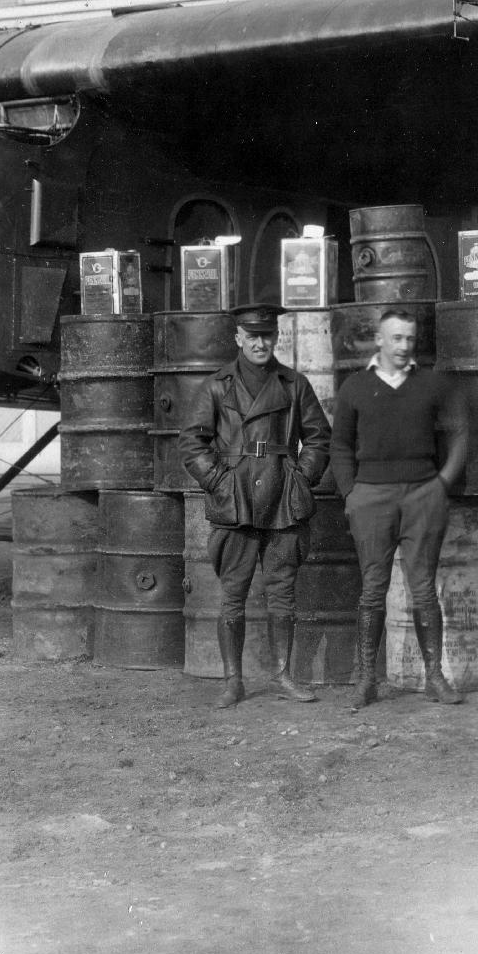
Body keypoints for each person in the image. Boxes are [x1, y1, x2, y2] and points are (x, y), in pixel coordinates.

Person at [180, 302, 332, 708]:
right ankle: (233, 681)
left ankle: (283, 675)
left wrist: (301, 478)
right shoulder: (217, 386)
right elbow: (192, 444)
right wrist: (219, 482)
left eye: (267, 335)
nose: (260, 343)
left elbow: (318, 438)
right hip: (237, 501)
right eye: (252, 336)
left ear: (276, 337)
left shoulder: (294, 384)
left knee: (283, 594)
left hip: (283, 500)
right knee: (233, 594)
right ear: (238, 339)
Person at [330, 305, 469, 709]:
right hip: (370, 496)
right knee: (373, 590)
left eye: (410, 338)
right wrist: (350, 493)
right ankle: (366, 681)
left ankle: (434, 678)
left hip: (422, 495)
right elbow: (339, 445)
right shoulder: (355, 387)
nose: (404, 346)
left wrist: (442, 482)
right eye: (396, 337)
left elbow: (460, 432)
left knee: (424, 589)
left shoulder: (432, 386)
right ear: (379, 339)